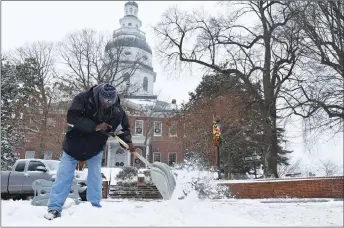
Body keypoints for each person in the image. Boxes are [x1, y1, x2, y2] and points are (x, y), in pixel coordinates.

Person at [45, 83, 135, 220]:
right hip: (74, 144)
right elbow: (72, 118)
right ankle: (54, 208)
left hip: (95, 147)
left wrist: (127, 142)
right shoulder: (83, 99)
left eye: (109, 104)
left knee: (95, 177)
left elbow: (122, 129)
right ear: (99, 96)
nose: (106, 106)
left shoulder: (117, 111)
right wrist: (95, 126)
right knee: (64, 176)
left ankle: (94, 207)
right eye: (104, 103)